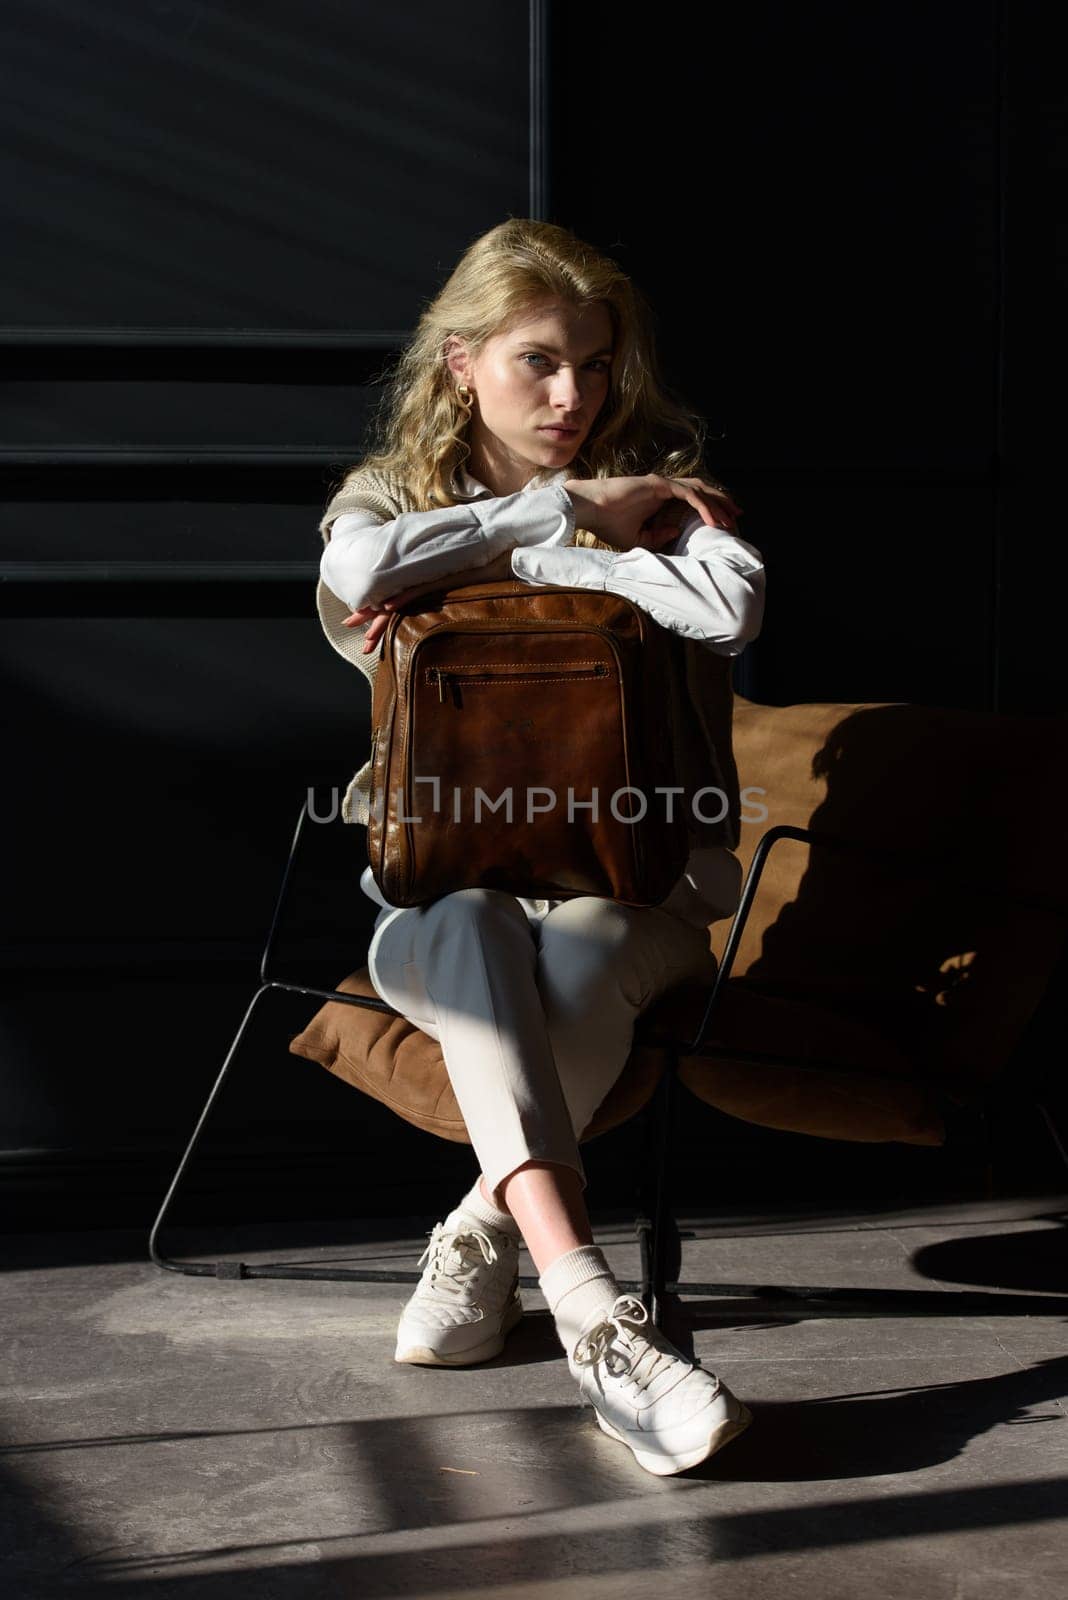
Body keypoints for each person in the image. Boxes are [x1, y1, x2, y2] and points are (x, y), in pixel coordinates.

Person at [314, 218, 766, 1477]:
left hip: (639, 891)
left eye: (597, 365)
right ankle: (600, 1323)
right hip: (437, 890)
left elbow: (730, 607)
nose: (575, 396)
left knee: (572, 966)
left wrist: (596, 553)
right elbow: (354, 569)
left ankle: (482, 1236)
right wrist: (562, 511)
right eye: (538, 362)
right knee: (466, 923)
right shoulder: (390, 505)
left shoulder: (662, 487)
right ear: (460, 362)